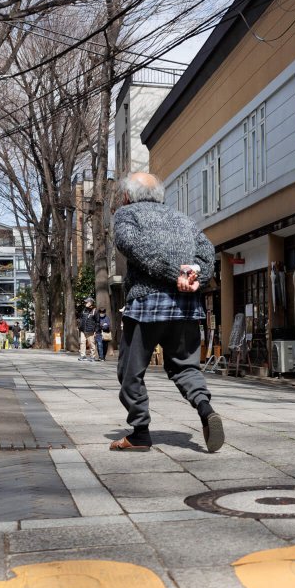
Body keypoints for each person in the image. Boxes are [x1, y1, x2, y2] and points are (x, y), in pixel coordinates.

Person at [110, 170, 224, 452]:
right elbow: (207, 253)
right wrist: (194, 275)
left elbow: (134, 247)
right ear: (160, 196)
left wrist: (175, 274)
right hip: (186, 307)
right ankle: (205, 408)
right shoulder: (183, 219)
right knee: (185, 367)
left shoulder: (126, 215)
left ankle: (140, 433)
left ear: (126, 196)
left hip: (146, 306)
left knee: (130, 371)